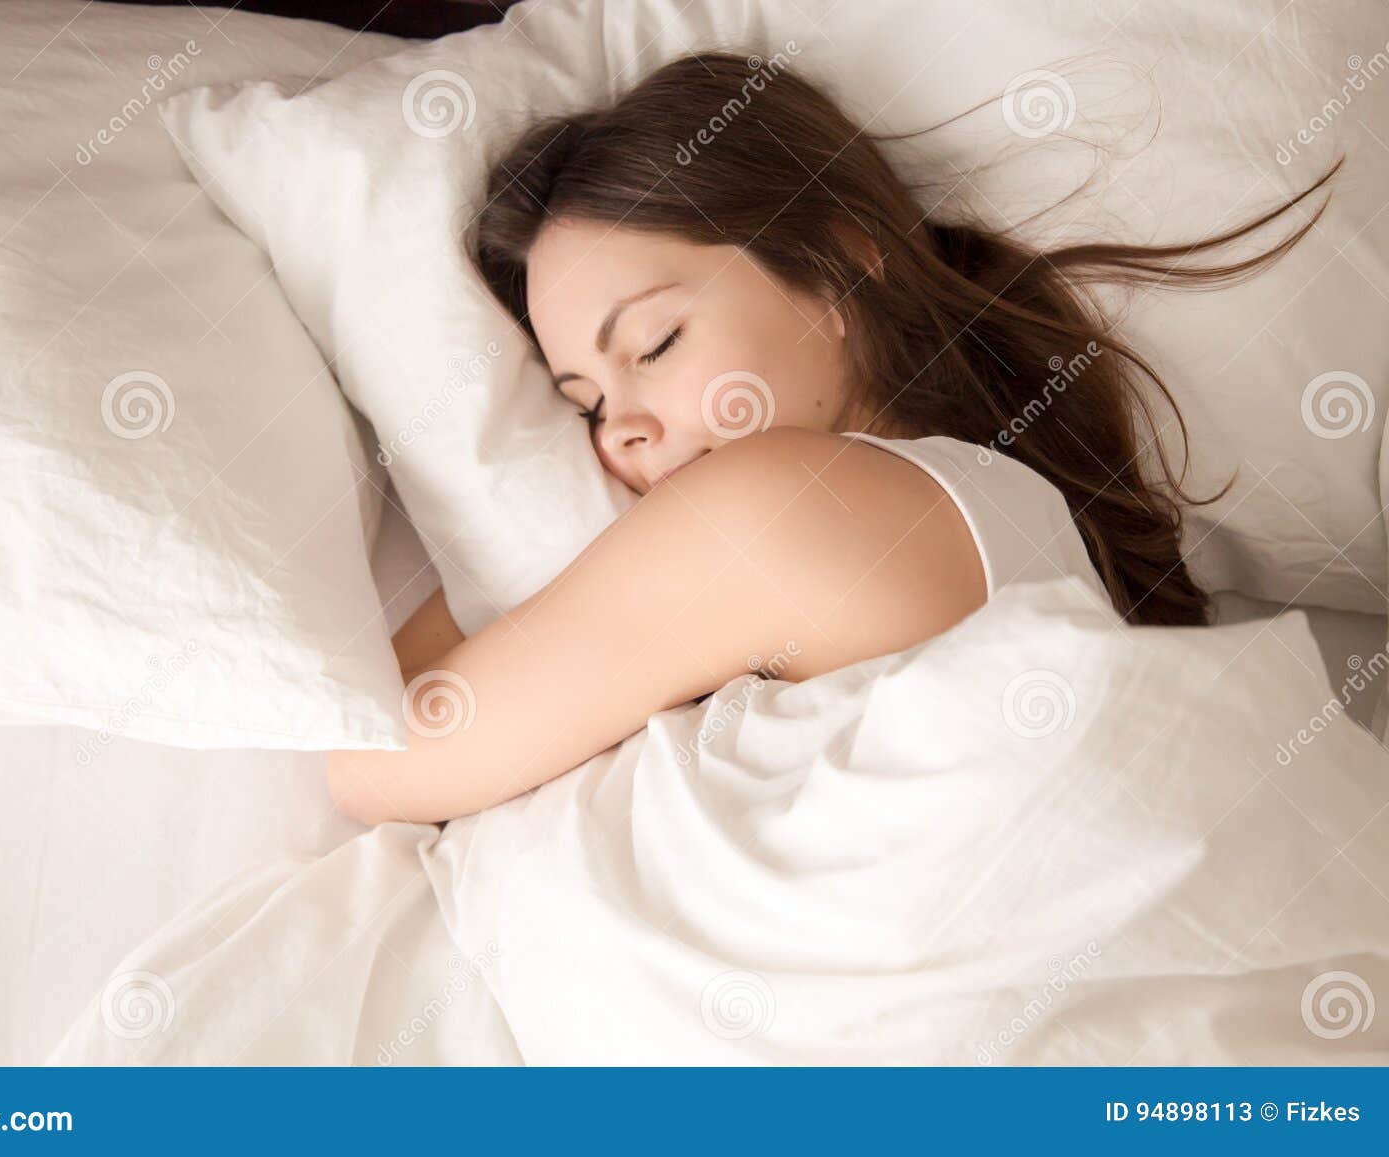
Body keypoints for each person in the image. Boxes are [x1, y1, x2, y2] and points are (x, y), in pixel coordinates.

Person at [328, 52, 1340, 827]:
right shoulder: (984, 510)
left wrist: (455, 506)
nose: (619, 431)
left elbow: (376, 759)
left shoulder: (778, 501)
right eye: (582, 403)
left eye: (656, 341)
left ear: (843, 266)